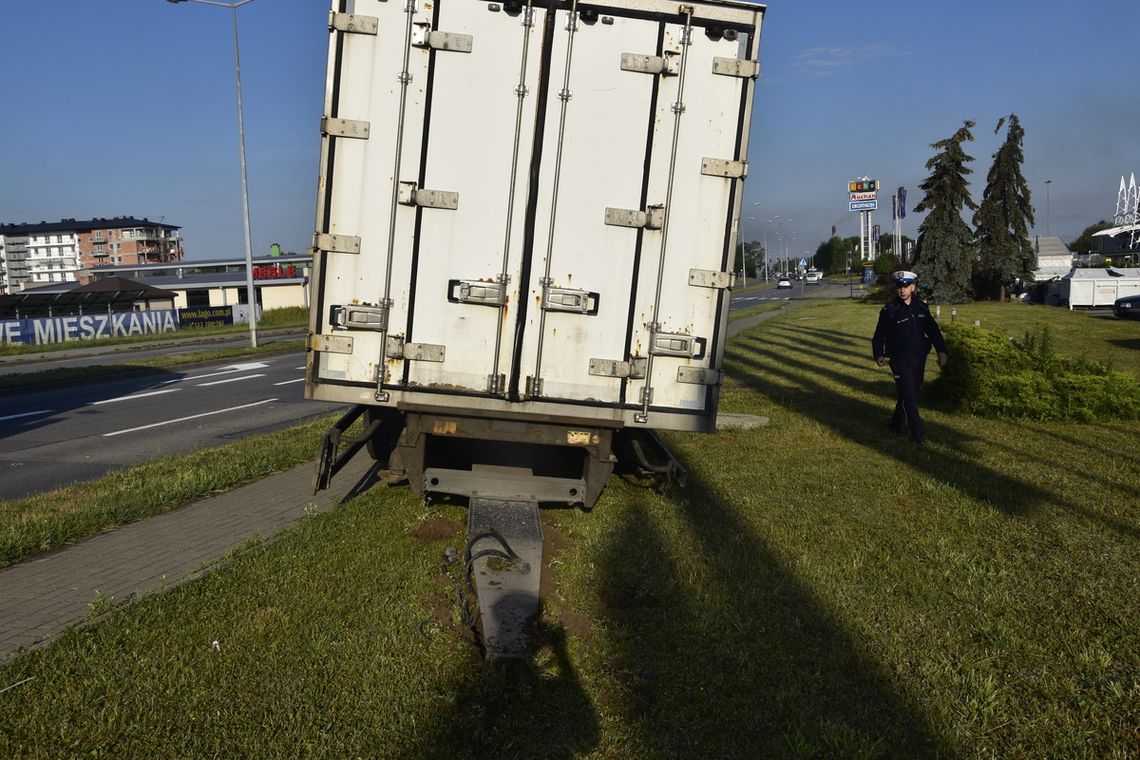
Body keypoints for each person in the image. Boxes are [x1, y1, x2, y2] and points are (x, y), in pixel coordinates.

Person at [871, 270, 948, 445]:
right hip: (899, 359)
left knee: (909, 393)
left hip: (919, 357)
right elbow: (879, 335)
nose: (902, 290)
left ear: (913, 287)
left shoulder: (921, 307)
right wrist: (879, 354)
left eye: (906, 286)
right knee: (910, 397)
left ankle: (895, 424)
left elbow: (933, 331)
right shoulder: (889, 310)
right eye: (899, 286)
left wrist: (942, 351)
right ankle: (917, 433)